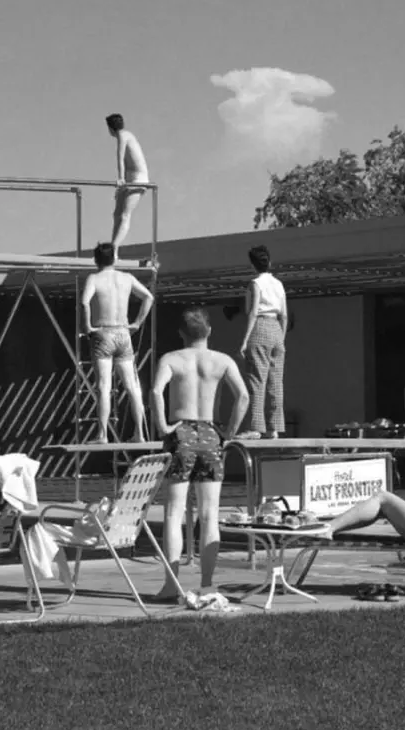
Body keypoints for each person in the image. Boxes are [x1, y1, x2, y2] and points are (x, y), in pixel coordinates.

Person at [150, 306, 250, 599]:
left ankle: (171, 584)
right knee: (210, 514)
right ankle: (207, 584)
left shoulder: (171, 359)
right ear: (210, 332)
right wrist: (229, 432)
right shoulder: (222, 360)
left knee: (173, 513)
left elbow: (156, 391)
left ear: (181, 333)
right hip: (210, 433)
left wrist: (163, 426)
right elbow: (243, 396)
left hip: (180, 433)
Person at [81, 242, 154, 443]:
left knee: (104, 386)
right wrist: (137, 323)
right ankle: (139, 433)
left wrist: (87, 326)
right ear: (114, 258)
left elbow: (84, 302)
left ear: (96, 260)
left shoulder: (94, 278)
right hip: (123, 333)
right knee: (132, 386)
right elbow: (148, 297)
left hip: (103, 332)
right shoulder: (127, 278)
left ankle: (103, 435)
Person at [237, 245, 288, 440]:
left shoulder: (255, 283)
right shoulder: (279, 284)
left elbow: (253, 311)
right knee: (276, 382)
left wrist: (245, 340)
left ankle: (256, 427)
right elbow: (284, 315)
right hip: (276, 329)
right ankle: (274, 427)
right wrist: (280, 338)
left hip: (260, 327)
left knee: (256, 379)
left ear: (252, 264)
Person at [106, 113, 149, 254]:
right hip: (130, 180)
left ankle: (114, 247)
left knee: (125, 215)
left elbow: (119, 158)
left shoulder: (122, 135)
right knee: (116, 214)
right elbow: (125, 161)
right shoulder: (125, 135)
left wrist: (120, 179)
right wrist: (122, 185)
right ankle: (114, 251)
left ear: (110, 128)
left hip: (138, 180)